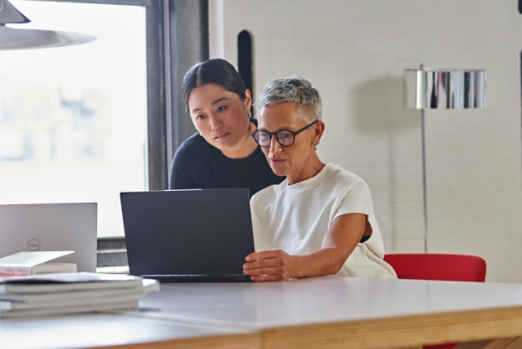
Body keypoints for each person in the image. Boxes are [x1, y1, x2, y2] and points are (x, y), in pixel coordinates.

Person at [243, 76, 397, 281]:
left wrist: (290, 266)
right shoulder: (261, 202)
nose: (273, 148)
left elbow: (334, 258)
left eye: (285, 135)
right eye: (264, 136)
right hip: (303, 306)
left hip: (366, 301)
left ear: (316, 132)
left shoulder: (348, 187)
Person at [170, 59, 284, 196]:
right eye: (201, 116)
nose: (215, 125)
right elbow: (179, 217)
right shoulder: (189, 159)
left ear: (246, 100)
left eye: (221, 108)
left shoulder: (282, 143)